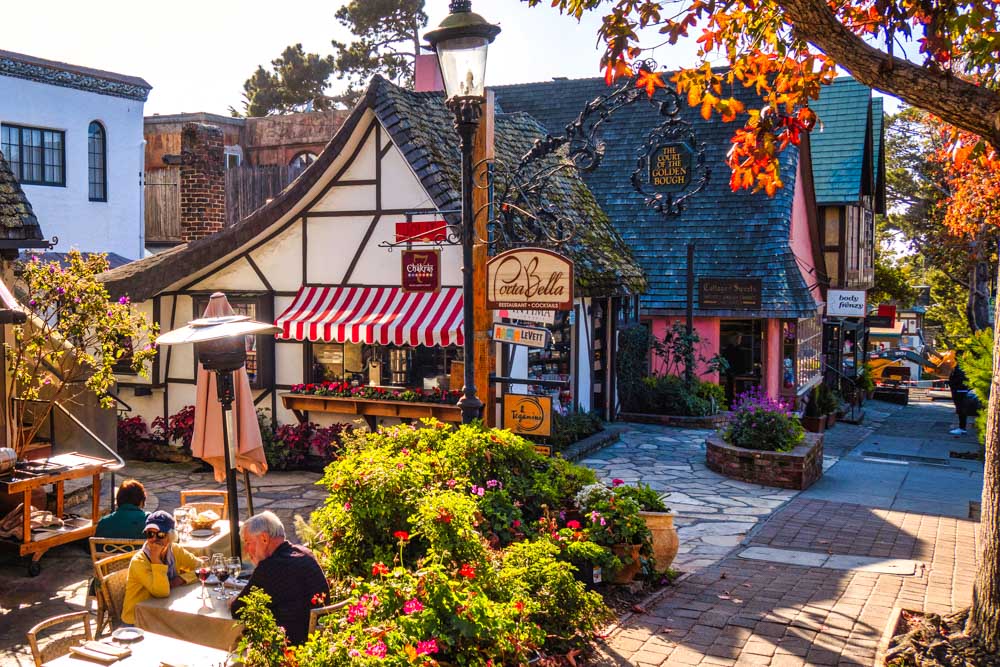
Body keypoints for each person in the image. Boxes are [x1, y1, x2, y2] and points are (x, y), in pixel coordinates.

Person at [230, 511, 329, 645]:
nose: (246, 550)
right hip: (318, 640)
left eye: (248, 543)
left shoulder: (270, 567)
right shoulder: (305, 553)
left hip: (290, 646)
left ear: (264, 538)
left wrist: (231, 601)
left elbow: (238, 610)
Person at [121, 511, 200, 624]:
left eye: (160, 535)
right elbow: (161, 592)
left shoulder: (175, 550)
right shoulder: (139, 561)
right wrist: (156, 560)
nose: (154, 539)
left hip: (163, 612)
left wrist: (182, 579)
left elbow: (202, 567)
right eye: (150, 534)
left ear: (171, 537)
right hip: (137, 618)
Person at [948, 364, 970, 435]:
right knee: (960, 410)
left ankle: (962, 428)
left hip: (960, 391)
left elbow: (958, 379)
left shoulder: (960, 368)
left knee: (961, 410)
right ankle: (962, 427)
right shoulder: (958, 367)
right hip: (959, 390)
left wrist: (951, 383)